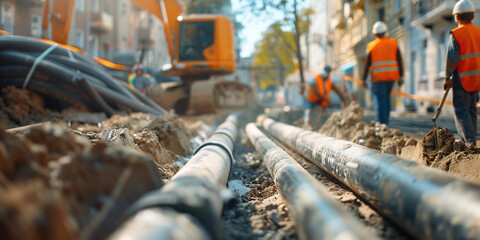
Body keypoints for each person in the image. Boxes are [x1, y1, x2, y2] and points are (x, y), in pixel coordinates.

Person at [444, 0, 480, 146]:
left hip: (462, 77)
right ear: (472, 16)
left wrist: (447, 77)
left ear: (457, 17)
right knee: (471, 110)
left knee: (461, 109)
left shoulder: (456, 34)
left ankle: (469, 142)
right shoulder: (478, 32)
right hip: (477, 78)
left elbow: (452, 58)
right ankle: (472, 140)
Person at [362, 21, 404, 125]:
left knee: (380, 101)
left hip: (378, 78)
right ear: (385, 32)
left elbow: (367, 64)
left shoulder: (371, 46)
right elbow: (400, 60)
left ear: (374, 34)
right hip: (391, 77)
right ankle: (386, 122)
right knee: (386, 99)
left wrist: (363, 79)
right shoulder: (393, 43)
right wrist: (401, 76)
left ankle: (382, 124)